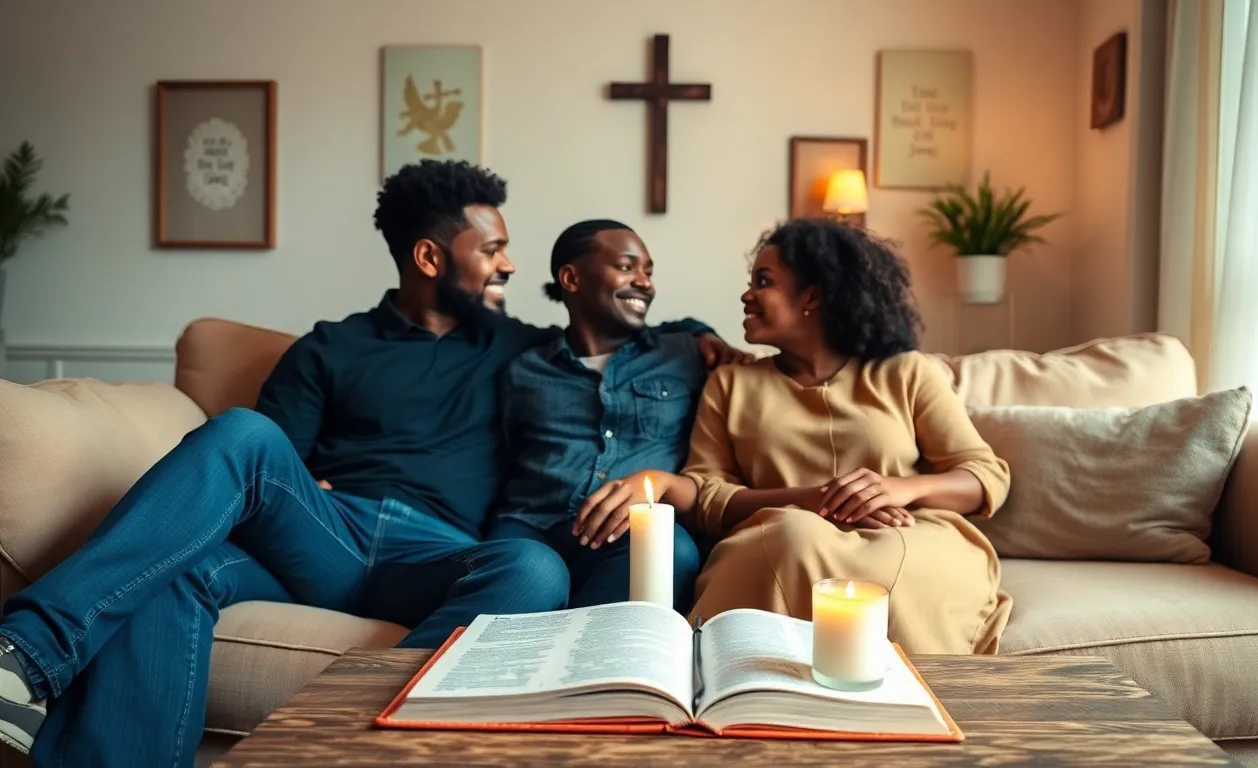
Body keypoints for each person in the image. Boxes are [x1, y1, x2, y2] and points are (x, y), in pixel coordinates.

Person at [0, 160, 740, 765]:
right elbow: (267, 465)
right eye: (491, 250)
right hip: (322, 537)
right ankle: (28, 655)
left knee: (531, 568)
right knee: (214, 491)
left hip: (437, 552)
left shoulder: (518, 349)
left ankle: (340, 744)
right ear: (429, 257)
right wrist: (302, 483)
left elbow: (620, 335)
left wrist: (702, 336)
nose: (510, 263)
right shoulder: (329, 347)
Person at [580, 217, 1013, 655]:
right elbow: (707, 495)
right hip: (782, 537)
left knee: (886, 562)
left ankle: (905, 698)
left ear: (813, 296)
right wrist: (811, 499)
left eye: (763, 282)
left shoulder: (906, 372)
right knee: (794, 536)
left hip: (903, 532)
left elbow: (984, 476)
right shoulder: (731, 383)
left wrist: (898, 489)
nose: (747, 295)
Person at [487, 220, 713, 613]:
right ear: (571, 278)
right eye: (627, 267)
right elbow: (501, 455)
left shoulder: (684, 355)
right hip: (534, 529)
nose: (645, 282)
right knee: (523, 569)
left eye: (648, 271)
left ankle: (573, 653)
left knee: (671, 548)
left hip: (629, 536)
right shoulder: (523, 370)